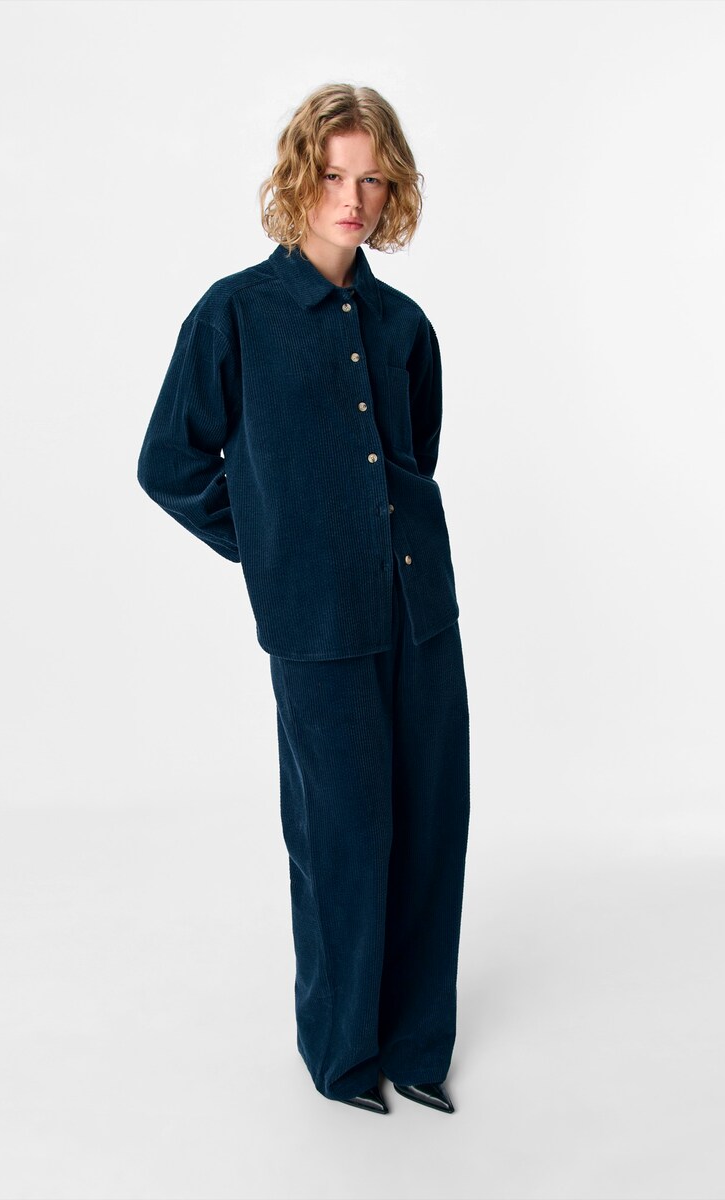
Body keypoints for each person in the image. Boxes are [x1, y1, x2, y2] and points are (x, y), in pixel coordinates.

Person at [137, 83, 470, 1116]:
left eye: (373, 178)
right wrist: (278, 551)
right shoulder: (234, 314)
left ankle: (417, 1044)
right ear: (299, 176)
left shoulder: (406, 325)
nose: (353, 199)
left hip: (421, 611)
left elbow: (414, 460)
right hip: (317, 623)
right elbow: (169, 463)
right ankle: (343, 1052)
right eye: (333, 175)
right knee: (341, 838)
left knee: (430, 827)